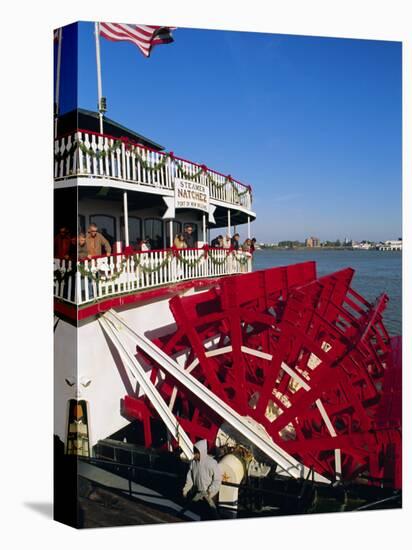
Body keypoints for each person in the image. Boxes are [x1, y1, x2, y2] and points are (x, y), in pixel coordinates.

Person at [182, 440, 222, 520]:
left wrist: (210, 491)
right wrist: (185, 490)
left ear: (201, 452)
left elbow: (217, 480)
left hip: (210, 496)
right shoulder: (193, 463)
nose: (194, 455)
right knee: (201, 516)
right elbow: (190, 478)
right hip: (198, 494)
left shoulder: (212, 463)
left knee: (212, 517)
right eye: (194, 453)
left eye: (196, 453)